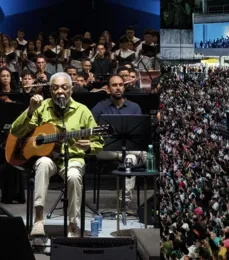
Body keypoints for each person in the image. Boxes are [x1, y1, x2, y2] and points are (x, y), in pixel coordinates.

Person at [10, 72, 104, 237]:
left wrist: (89, 147)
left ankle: (73, 224)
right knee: (43, 163)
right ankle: (39, 220)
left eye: (64, 87)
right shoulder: (41, 107)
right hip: (48, 158)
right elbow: (16, 131)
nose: (60, 91)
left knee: (74, 175)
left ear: (71, 89)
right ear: (50, 90)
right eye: (55, 88)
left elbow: (99, 142)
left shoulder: (82, 111)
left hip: (73, 158)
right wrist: (30, 110)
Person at [91, 75, 146, 207]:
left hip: (128, 148)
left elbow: (138, 134)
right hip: (105, 148)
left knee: (130, 159)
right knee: (133, 154)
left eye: (120, 85)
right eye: (114, 85)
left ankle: (124, 202)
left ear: (124, 87)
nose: (118, 88)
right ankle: (143, 155)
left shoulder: (134, 107)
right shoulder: (99, 107)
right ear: (108, 89)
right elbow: (91, 130)